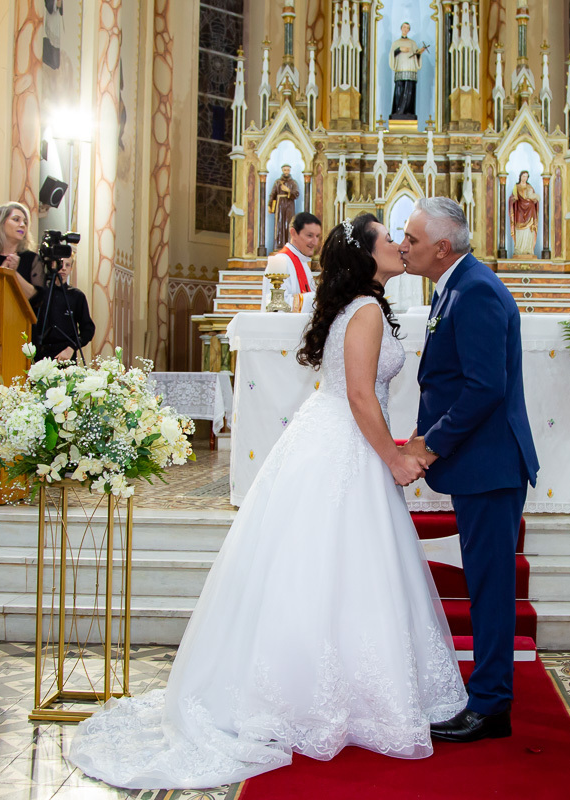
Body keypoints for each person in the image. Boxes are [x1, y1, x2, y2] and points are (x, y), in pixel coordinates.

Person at [67, 213, 466, 790]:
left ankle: (316, 688)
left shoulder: (352, 307)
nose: (400, 246)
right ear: (365, 256)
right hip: (346, 444)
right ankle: (334, 696)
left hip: (325, 439)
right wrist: (396, 459)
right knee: (344, 567)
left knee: (320, 568)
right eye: (389, 240)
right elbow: (359, 394)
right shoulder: (369, 310)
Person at [399, 197, 539, 743]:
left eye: (411, 238)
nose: (404, 245)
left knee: (490, 585)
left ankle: (491, 705)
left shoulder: (475, 288)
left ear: (441, 246)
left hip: (489, 463)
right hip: (480, 461)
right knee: (486, 583)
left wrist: (430, 445)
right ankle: (487, 696)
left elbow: (486, 387)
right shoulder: (456, 283)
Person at [30, 257, 94, 362]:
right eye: (60, 264)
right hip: (41, 356)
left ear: (71, 268)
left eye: (67, 265)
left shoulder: (77, 296)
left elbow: (88, 329)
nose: (63, 268)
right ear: (52, 265)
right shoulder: (40, 294)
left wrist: (72, 347)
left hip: (66, 356)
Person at [264, 211, 321, 312]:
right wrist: (318, 296)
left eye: (317, 236)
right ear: (293, 233)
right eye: (310, 235)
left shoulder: (303, 263)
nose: (315, 242)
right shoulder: (281, 261)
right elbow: (276, 307)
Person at [389, 22, 428, 119]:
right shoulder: (396, 43)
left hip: (410, 70)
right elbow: (392, 55)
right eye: (404, 27)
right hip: (400, 69)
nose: (405, 29)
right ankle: (398, 111)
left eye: (407, 28)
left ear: (409, 30)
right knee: (400, 90)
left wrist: (419, 53)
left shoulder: (412, 43)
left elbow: (416, 55)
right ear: (401, 28)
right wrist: (399, 49)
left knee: (409, 90)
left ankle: (408, 111)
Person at [267, 165, 300, 250]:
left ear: (289, 171)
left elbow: (296, 194)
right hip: (280, 204)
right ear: (282, 170)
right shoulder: (277, 182)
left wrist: (288, 190)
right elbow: (273, 194)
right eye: (284, 170)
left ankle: (289, 245)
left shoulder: (293, 183)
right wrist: (270, 205)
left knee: (289, 224)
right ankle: (279, 245)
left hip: (289, 204)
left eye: (287, 170)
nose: (286, 172)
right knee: (279, 224)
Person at [508, 171, 539, 258]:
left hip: (530, 212)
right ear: (520, 177)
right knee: (519, 230)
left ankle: (529, 250)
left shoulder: (530, 187)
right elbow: (512, 199)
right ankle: (519, 249)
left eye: (526, 176)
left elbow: (535, 199)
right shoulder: (516, 187)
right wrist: (513, 199)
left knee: (529, 231)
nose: (524, 178)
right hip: (519, 213)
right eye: (523, 176)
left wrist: (535, 200)